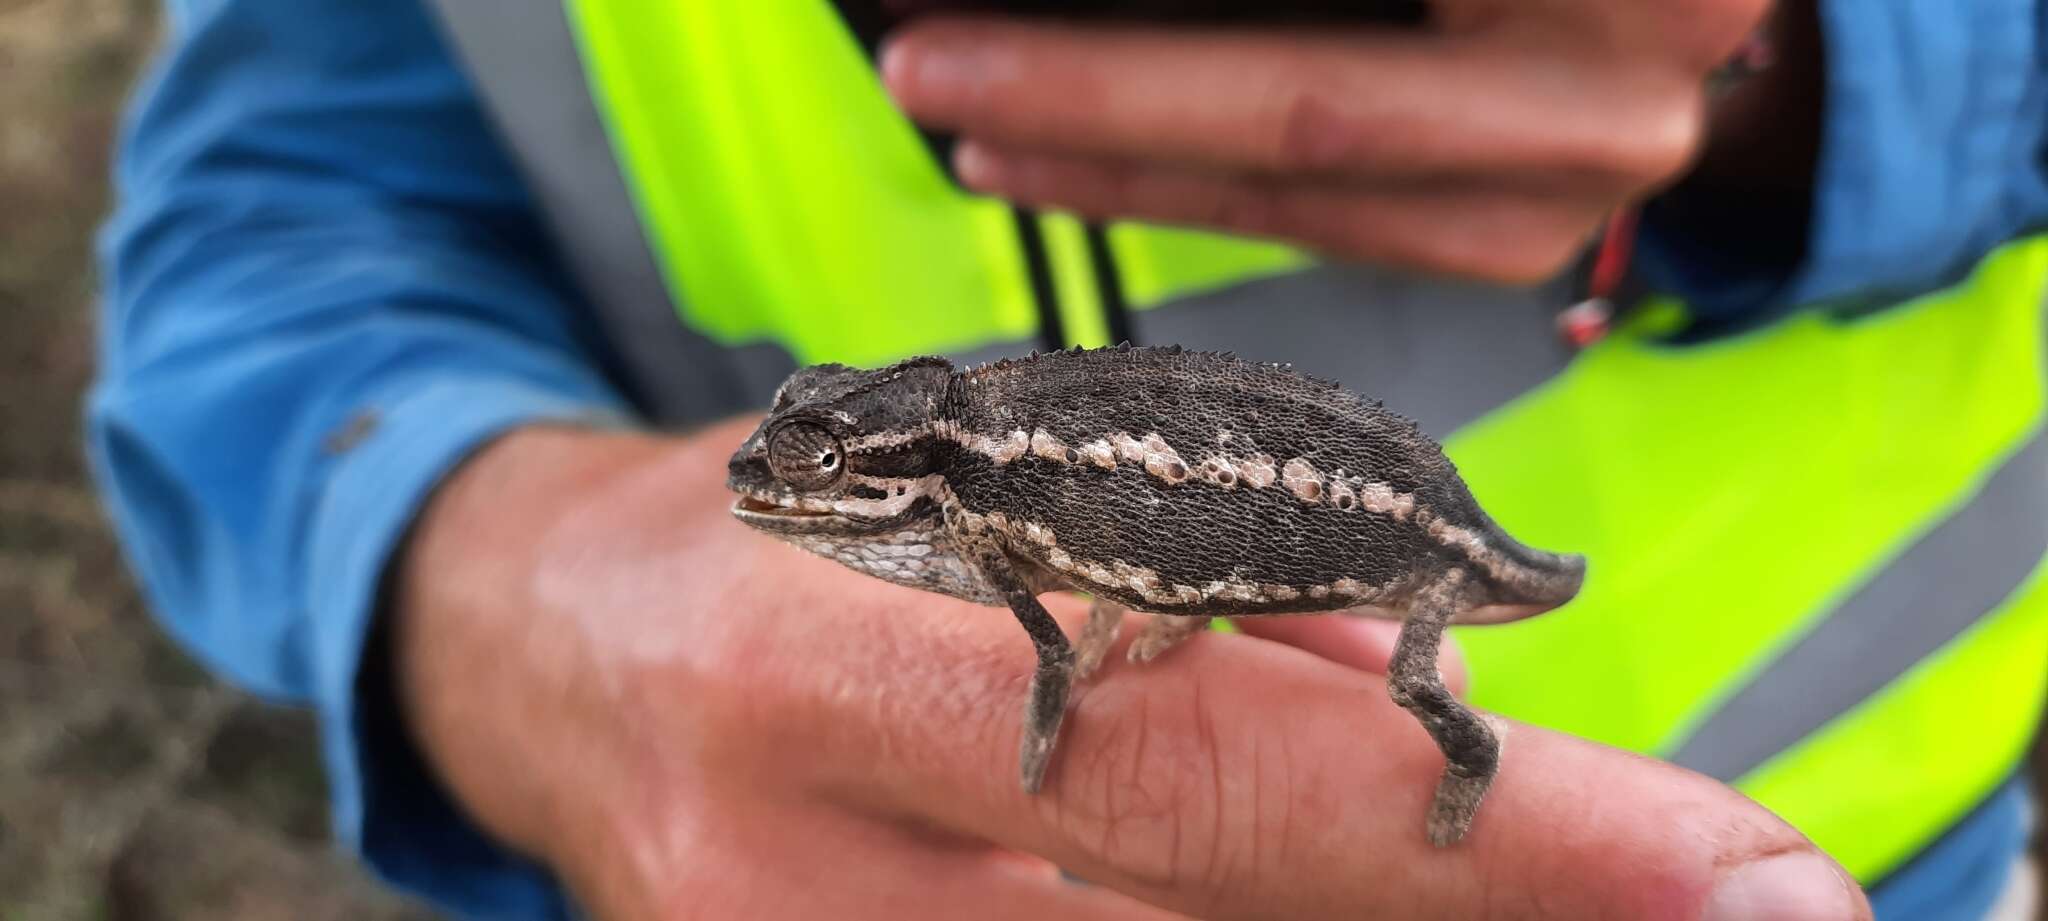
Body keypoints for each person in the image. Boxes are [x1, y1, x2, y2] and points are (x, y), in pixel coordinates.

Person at [88, 0, 2048, 918]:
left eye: (852, 478)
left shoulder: (1005, 515)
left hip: (1859, 832)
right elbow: (275, 206)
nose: (799, 499)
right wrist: (500, 570)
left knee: (1418, 649)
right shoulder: (990, 497)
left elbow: (1066, 634)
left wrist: (1870, 62)